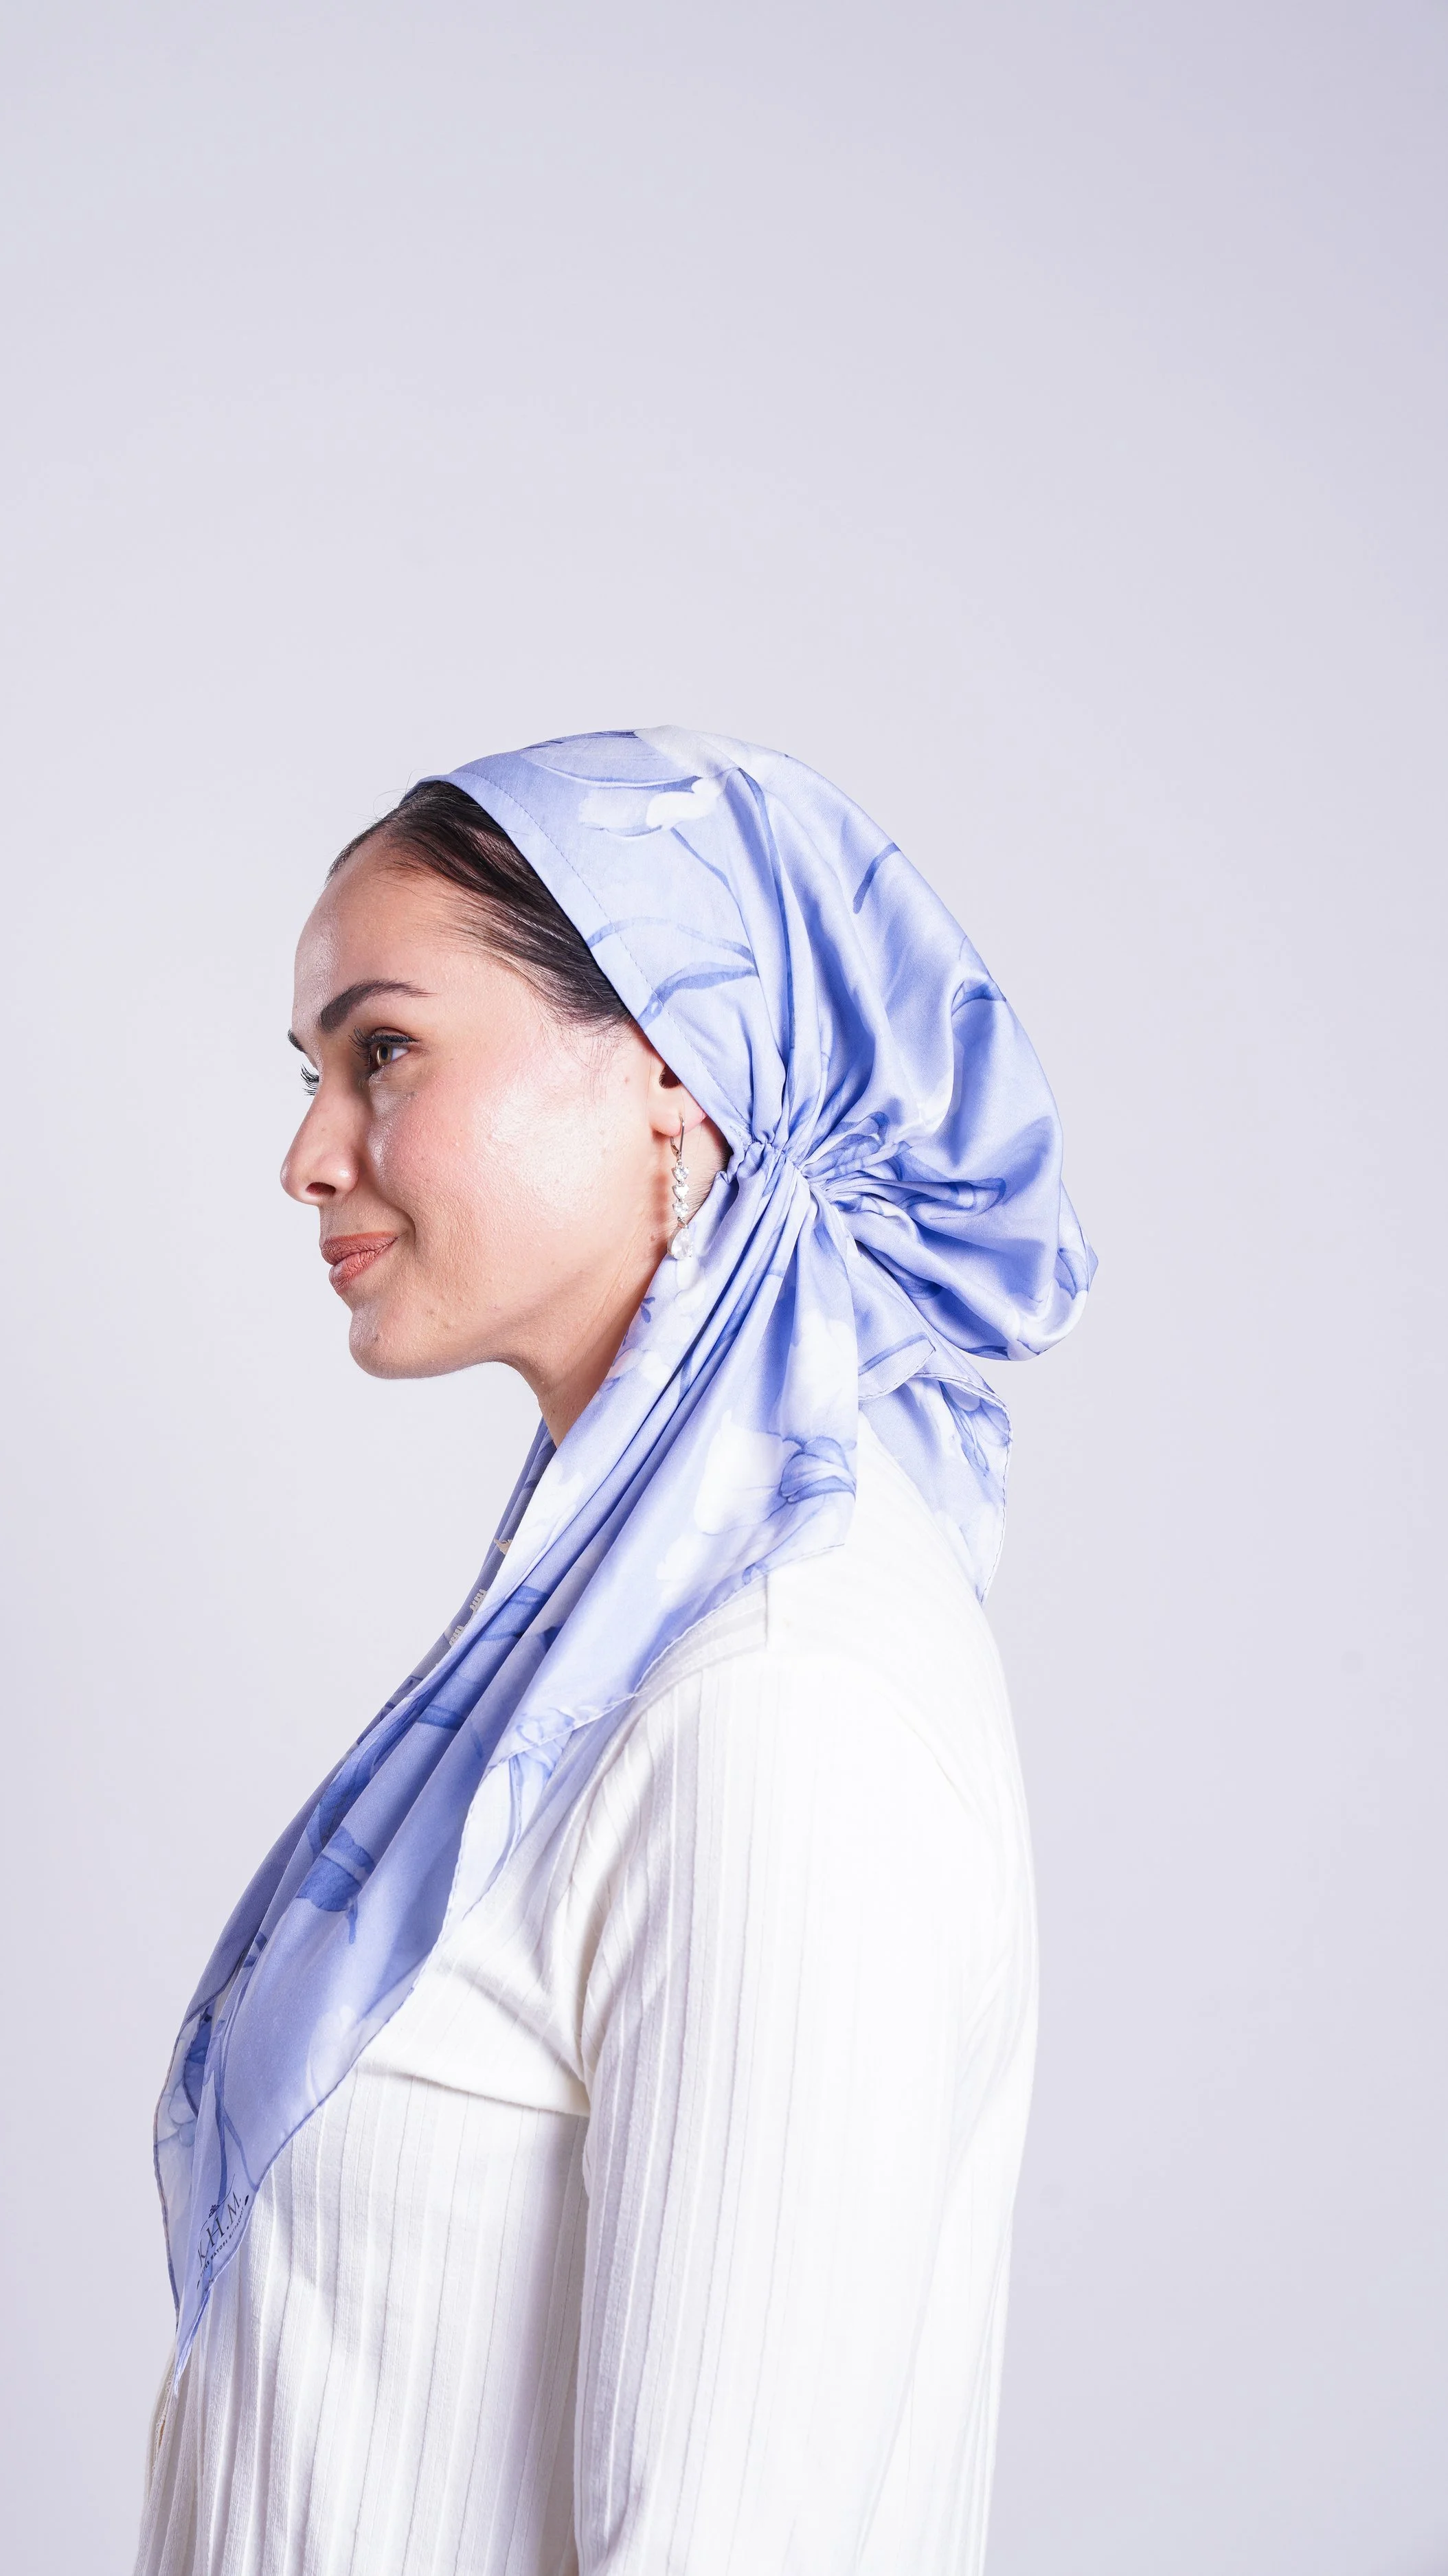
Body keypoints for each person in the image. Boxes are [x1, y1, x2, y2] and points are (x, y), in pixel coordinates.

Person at [135, 729, 1093, 2576]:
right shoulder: (605, 1646)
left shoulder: (770, 1694)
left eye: (383, 1050)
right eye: (315, 1068)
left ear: (668, 1070)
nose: (308, 1149)